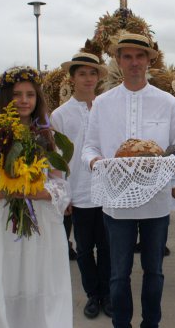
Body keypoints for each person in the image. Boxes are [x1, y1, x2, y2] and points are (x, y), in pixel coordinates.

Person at [82, 33, 175, 328]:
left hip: (157, 203)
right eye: (127, 56)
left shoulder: (167, 102)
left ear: (149, 60)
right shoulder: (102, 103)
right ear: (118, 61)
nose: (134, 62)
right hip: (117, 202)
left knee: (154, 271)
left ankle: (151, 324)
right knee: (119, 274)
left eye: (140, 56)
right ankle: (122, 324)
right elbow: (89, 147)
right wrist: (95, 162)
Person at [0, 66, 72, 328]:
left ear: (38, 99)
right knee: (10, 282)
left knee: (43, 283)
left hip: (43, 227)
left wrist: (36, 191)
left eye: (30, 95)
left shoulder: (47, 135)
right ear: (5, 99)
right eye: (17, 94)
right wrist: (10, 189)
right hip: (6, 225)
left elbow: (60, 187)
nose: (24, 100)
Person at [51, 52, 112, 319]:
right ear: (72, 77)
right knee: (85, 249)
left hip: (108, 192)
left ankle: (109, 294)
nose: (88, 78)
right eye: (82, 73)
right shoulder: (60, 115)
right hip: (79, 193)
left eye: (92, 73)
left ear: (99, 77)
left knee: (108, 247)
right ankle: (93, 295)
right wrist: (63, 194)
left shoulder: (107, 108)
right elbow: (56, 158)